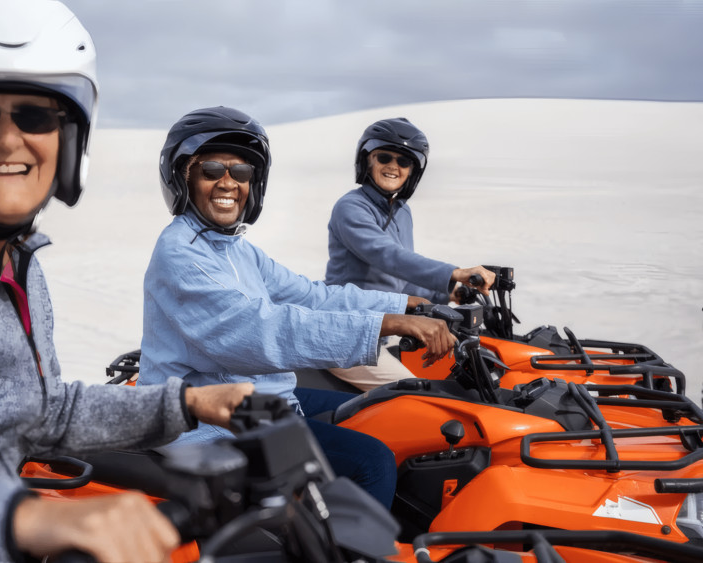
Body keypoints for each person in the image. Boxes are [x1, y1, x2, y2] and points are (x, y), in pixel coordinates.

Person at [0, 1, 252, 561]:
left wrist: (187, 403)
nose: (9, 141)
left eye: (35, 117)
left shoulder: (12, 262)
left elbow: (42, 411)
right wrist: (24, 521)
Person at [139, 106, 455, 509]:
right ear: (183, 176)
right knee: (372, 461)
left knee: (384, 407)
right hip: (210, 422)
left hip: (259, 400)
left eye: (241, 172)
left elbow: (311, 295)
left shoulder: (236, 248)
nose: (228, 182)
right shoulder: (180, 255)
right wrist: (384, 324)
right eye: (212, 169)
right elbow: (259, 329)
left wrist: (407, 304)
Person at [324, 117, 496, 391]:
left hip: (387, 328)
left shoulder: (402, 212)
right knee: (416, 398)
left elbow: (400, 279)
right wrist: (453, 272)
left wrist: (450, 292)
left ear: (412, 171)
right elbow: (387, 256)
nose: (394, 166)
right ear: (368, 160)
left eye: (404, 162)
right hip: (351, 333)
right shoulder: (351, 207)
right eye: (384, 157)